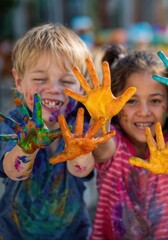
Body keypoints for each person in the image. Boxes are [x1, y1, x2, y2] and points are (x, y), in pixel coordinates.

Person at [84, 45, 168, 240]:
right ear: (115, 103)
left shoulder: (167, 145)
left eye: (155, 100)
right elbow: (100, 147)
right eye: (131, 101)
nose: (144, 111)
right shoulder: (114, 141)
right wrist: (100, 115)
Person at [0, 23, 103, 239]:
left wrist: (80, 149)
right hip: (15, 233)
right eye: (39, 79)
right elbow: (14, 171)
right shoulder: (13, 125)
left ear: (81, 88)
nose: (54, 88)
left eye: (66, 81)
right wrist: (27, 147)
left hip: (72, 232)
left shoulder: (80, 127)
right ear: (19, 81)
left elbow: (81, 170)